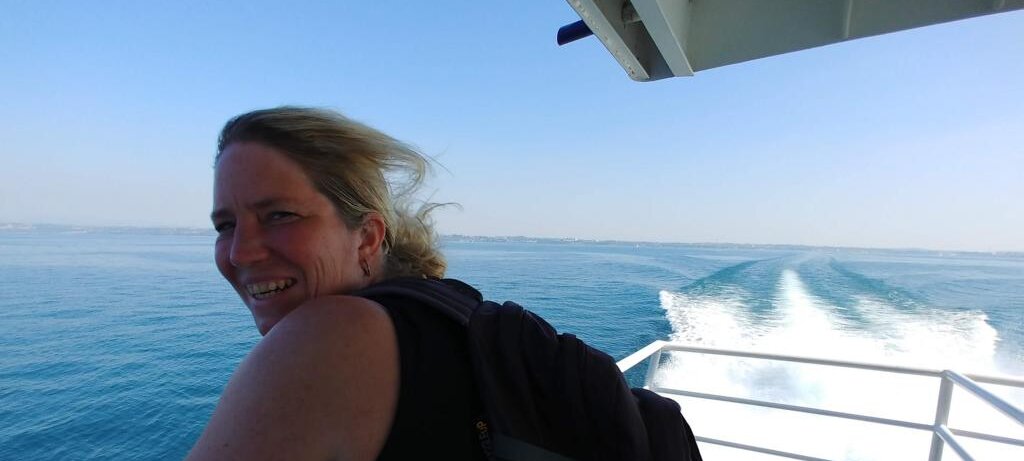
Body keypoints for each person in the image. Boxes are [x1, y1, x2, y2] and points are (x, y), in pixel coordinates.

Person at [188, 107, 484, 460]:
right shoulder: (442, 313)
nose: (240, 254)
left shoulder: (328, 336)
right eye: (225, 226)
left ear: (367, 238)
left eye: (280, 215)